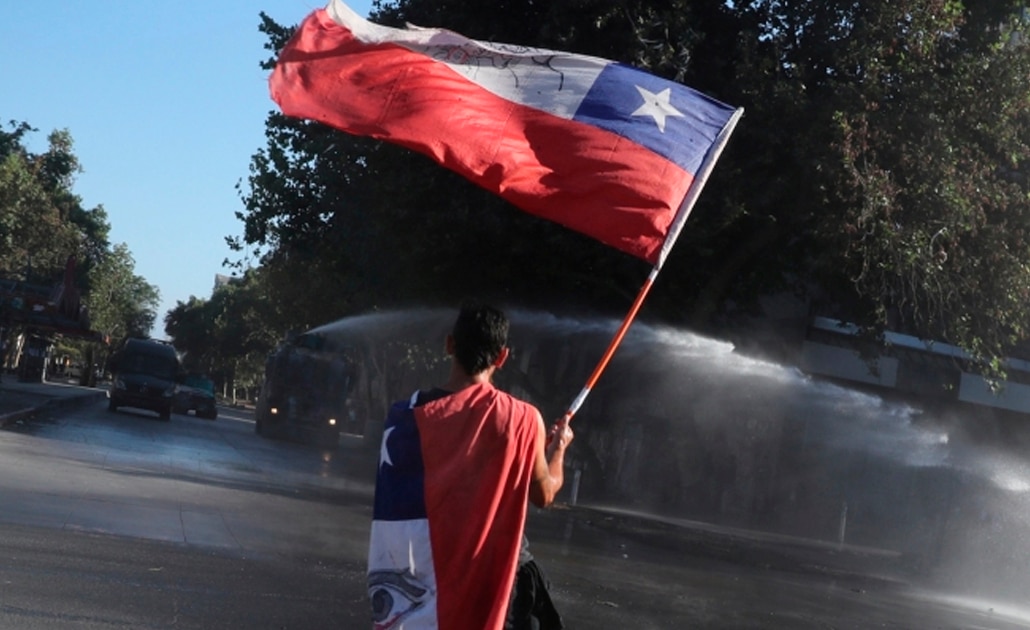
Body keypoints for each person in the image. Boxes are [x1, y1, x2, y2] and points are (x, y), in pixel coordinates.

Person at [368, 301, 573, 630]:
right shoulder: (523, 419)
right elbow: (545, 494)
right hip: (501, 577)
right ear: (502, 357)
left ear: (450, 344)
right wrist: (559, 448)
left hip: (427, 574)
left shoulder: (406, 416)